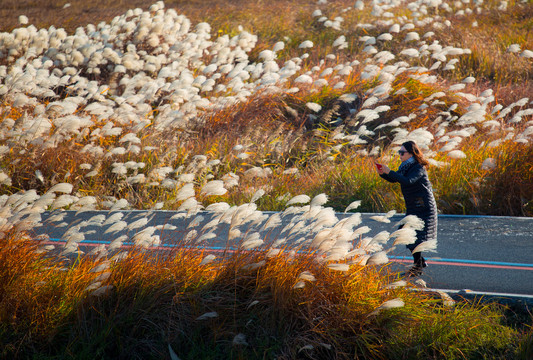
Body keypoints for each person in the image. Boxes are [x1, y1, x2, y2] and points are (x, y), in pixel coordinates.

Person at [375, 141, 438, 277]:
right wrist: (383, 173)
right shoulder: (405, 166)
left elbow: (408, 181)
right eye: (399, 152)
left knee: (413, 236)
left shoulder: (418, 167)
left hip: (424, 207)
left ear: (411, 153)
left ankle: (418, 265)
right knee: (408, 235)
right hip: (413, 206)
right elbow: (396, 179)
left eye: (402, 152)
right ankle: (419, 263)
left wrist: (389, 171)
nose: (400, 155)